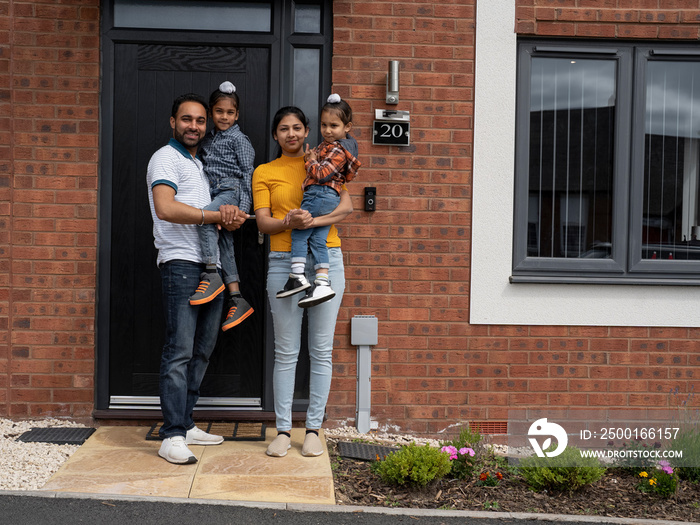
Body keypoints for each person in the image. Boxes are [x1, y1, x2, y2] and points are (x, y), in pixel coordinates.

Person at [147, 93, 248, 464]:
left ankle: (186, 423)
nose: (194, 126)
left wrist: (232, 217)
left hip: (213, 267)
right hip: (182, 265)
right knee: (180, 350)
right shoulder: (165, 158)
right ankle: (171, 434)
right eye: (187, 119)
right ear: (172, 121)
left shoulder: (202, 164)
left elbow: (218, 217)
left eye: (200, 120)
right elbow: (166, 207)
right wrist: (212, 217)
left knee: (202, 351)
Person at [253, 106, 353, 457]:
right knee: (286, 351)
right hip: (283, 263)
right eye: (283, 129)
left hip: (328, 260)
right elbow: (263, 223)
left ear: (307, 131)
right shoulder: (265, 171)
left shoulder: (327, 159)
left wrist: (312, 220)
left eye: (297, 127)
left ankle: (313, 428)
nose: (291, 134)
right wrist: (289, 222)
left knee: (321, 350)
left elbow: (347, 209)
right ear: (275, 134)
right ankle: (283, 430)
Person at [276, 94, 360, 308]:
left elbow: (321, 174)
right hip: (328, 198)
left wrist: (310, 161)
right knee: (317, 240)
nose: (328, 130)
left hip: (319, 195)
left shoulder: (337, 148)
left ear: (347, 127)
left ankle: (297, 275)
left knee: (299, 231)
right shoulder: (333, 147)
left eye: (334, 125)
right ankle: (322, 282)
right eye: (324, 125)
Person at [188, 81, 255, 332]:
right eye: (219, 111)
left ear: (236, 115)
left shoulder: (240, 140)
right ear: (211, 112)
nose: (224, 117)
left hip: (231, 191)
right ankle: (236, 297)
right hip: (214, 189)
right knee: (224, 241)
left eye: (229, 112)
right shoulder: (207, 140)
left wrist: (243, 209)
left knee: (204, 218)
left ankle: (211, 273)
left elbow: (248, 173)